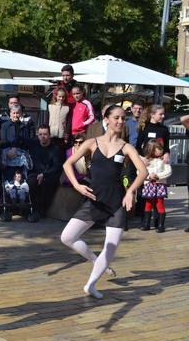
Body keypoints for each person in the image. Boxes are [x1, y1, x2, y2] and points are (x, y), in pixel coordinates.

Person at [61, 105, 147, 299]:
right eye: (116, 117)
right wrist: (77, 185)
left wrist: (130, 192)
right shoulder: (92, 143)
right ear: (106, 119)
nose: (120, 121)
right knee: (67, 237)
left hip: (116, 203)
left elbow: (143, 172)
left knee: (110, 248)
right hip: (94, 200)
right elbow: (68, 164)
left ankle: (91, 285)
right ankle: (94, 259)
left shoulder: (127, 147)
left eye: (123, 118)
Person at [26, 124, 63, 221]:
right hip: (35, 173)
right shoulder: (34, 144)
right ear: (37, 135)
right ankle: (34, 209)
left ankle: (42, 210)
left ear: (49, 135)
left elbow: (57, 166)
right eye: (40, 134)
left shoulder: (56, 149)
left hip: (50, 174)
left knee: (47, 183)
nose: (43, 136)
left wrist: (44, 174)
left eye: (45, 134)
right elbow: (19, 140)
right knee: (31, 182)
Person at [139, 140, 172, 232]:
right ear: (152, 150)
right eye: (159, 149)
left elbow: (168, 171)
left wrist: (158, 176)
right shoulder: (146, 161)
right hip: (149, 185)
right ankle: (147, 224)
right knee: (148, 204)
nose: (161, 150)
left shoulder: (163, 160)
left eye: (162, 149)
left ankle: (161, 225)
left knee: (159, 203)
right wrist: (149, 176)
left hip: (159, 185)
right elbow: (139, 172)